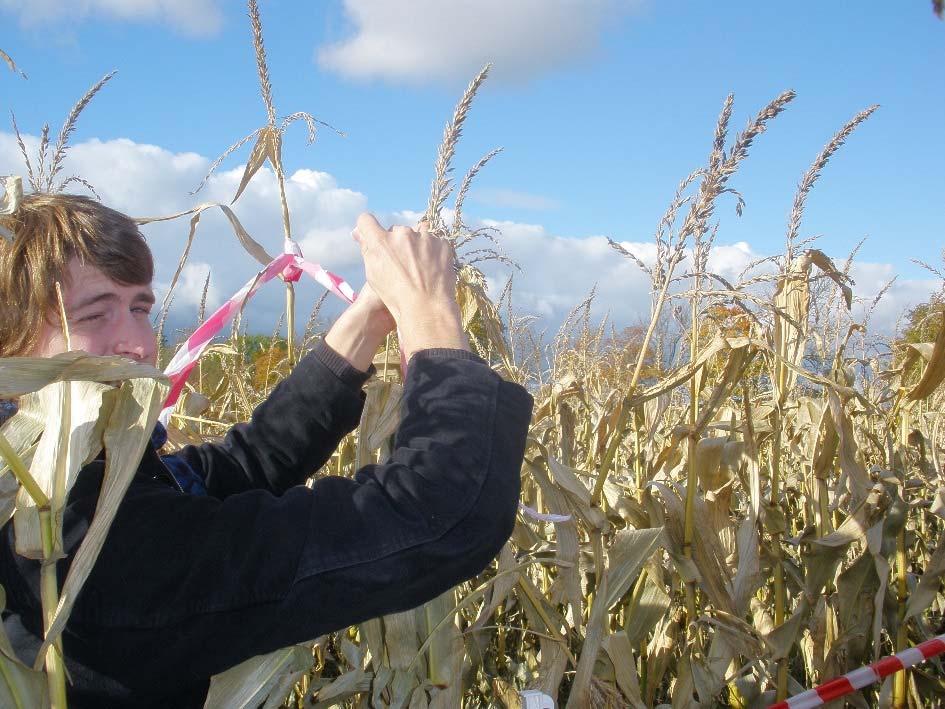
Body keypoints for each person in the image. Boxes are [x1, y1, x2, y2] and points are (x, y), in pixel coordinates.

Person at [0, 194, 533, 706]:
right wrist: (429, 310)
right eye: (95, 315)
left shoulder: (66, 481)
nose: (138, 343)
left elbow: (240, 466)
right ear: (11, 344)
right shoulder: (79, 543)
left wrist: (372, 314)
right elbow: (437, 513)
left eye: (140, 307)